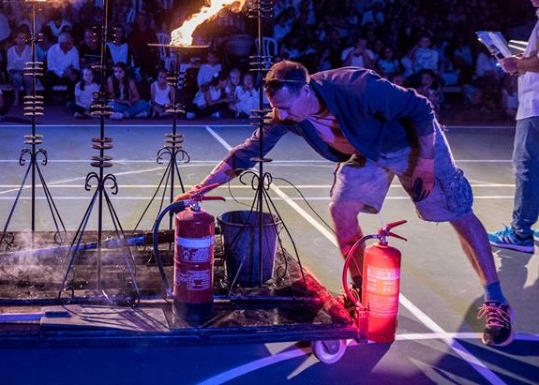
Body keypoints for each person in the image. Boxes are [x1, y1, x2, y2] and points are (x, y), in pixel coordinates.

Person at [178, 60, 513, 347]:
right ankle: (359, 293)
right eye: (276, 108)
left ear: (306, 90)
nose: (281, 115)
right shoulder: (286, 115)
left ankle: (496, 300)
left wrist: (425, 162)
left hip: (411, 146)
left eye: (287, 107)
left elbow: (421, 107)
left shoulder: (357, 86)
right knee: (341, 209)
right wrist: (202, 188)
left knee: (458, 212)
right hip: (364, 152)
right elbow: (248, 153)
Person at [488, 0, 539, 253]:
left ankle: (520, 234)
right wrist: (522, 59)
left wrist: (517, 64)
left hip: (536, 108)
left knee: (527, 168)